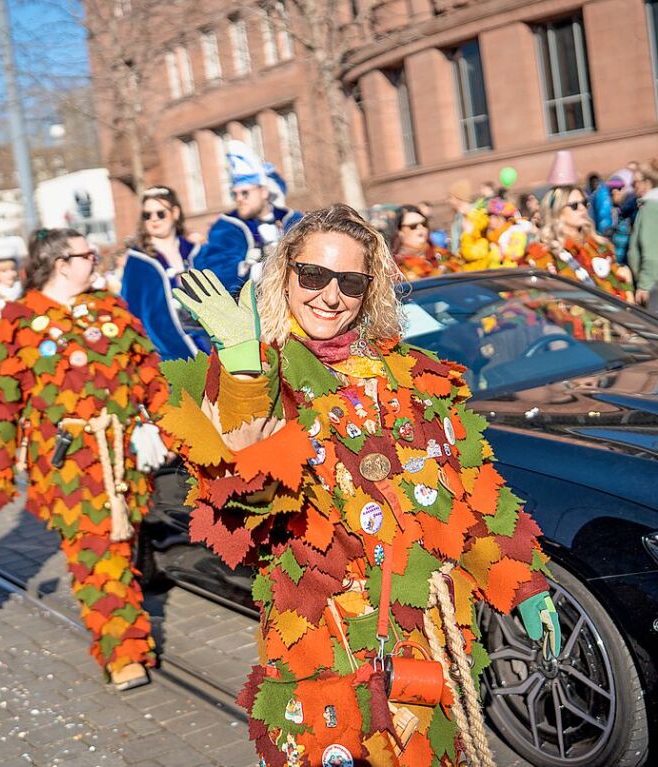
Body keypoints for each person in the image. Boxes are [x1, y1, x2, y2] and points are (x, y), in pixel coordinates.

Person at [164, 204, 561, 767]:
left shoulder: (411, 376)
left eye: (351, 281)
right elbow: (245, 496)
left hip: (417, 633)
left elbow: (469, 495)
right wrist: (243, 369)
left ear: (370, 290)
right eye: (313, 276)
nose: (331, 296)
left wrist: (523, 583)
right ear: (284, 275)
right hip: (320, 637)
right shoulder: (251, 374)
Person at [0, 228, 169, 691]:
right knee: (94, 554)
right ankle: (122, 653)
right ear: (61, 262)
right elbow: (2, 402)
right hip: (68, 464)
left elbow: (149, 373)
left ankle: (129, 640)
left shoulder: (110, 308)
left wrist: (175, 424)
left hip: (122, 459)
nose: (96, 261)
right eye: (88, 254)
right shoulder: (18, 321)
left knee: (120, 551)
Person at [196, 140, 302, 295]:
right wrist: (263, 268)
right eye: (235, 194)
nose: (239, 198)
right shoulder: (226, 227)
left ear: (264, 191)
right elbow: (219, 275)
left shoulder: (293, 219)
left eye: (245, 193)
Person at [121, 185, 210, 360]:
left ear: (175, 213)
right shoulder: (139, 260)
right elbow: (131, 310)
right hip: (165, 349)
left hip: (207, 340)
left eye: (160, 213)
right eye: (147, 215)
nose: (154, 219)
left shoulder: (195, 251)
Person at [523, 185, 633, 301]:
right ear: (557, 211)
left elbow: (620, 287)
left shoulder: (598, 245)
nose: (582, 209)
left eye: (584, 203)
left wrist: (626, 283)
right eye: (574, 206)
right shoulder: (542, 254)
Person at [389, 205, 450, 281]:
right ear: (400, 232)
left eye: (424, 224)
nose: (420, 228)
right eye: (413, 226)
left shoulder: (441, 254)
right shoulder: (394, 267)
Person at [628, 163, 658, 310]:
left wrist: (644, 285)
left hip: (653, 286)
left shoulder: (651, 208)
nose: (633, 187)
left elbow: (652, 252)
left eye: (635, 183)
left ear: (647, 183)